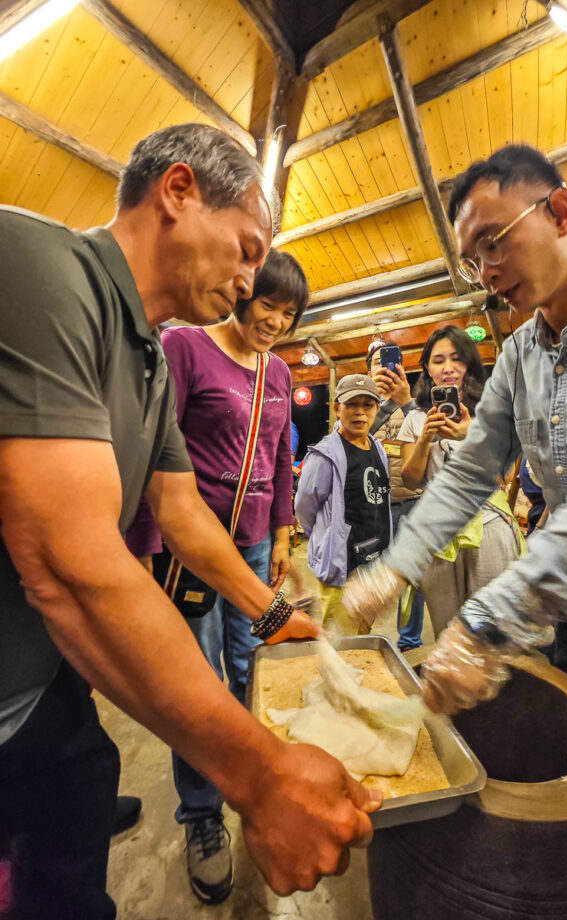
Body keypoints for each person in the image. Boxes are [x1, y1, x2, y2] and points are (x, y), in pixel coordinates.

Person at [0, 123, 380, 920]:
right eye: (245, 249)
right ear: (177, 192)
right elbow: (66, 562)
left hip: (38, 684)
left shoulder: (146, 360)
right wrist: (262, 777)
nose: (250, 281)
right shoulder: (39, 265)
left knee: (78, 817)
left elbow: (181, 510)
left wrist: (273, 613)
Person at [344, 143, 567, 919]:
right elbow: (469, 473)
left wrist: (483, 622)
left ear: (561, 213)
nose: (485, 270)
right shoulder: (518, 358)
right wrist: (397, 566)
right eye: (472, 259)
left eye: (493, 241)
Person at [127, 248, 309, 903]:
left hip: (256, 547)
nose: (275, 323)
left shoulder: (281, 372)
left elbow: (280, 459)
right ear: (243, 294)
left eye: (289, 315)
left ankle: (255, 788)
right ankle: (202, 818)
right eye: (268, 306)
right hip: (190, 551)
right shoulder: (185, 348)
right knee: (196, 685)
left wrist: (284, 533)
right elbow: (153, 448)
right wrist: (148, 552)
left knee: (253, 669)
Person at [397, 325, 524, 638]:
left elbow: (504, 479)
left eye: (456, 359)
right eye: (438, 360)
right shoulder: (415, 418)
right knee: (448, 629)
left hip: (489, 522)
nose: (448, 367)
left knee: (494, 626)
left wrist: (470, 436)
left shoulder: (489, 412)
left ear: (469, 363)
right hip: (438, 529)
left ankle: (502, 688)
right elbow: (411, 481)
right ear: (426, 367)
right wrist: (425, 437)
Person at [295, 374, 392, 635]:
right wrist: (324, 536)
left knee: (362, 633)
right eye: (351, 404)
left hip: (372, 562)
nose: (360, 412)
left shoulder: (378, 448)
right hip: (341, 565)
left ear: (376, 408)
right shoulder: (324, 456)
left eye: (367, 404)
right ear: (337, 408)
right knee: (335, 639)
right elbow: (304, 508)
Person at [366, 344, 425, 651]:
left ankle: (410, 641)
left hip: (410, 502)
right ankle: (361, 638)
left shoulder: (415, 406)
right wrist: (371, 402)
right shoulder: (361, 406)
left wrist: (408, 402)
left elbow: (431, 437)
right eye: (378, 363)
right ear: (368, 371)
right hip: (372, 507)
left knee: (411, 575)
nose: (385, 368)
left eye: (391, 362)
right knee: (365, 571)